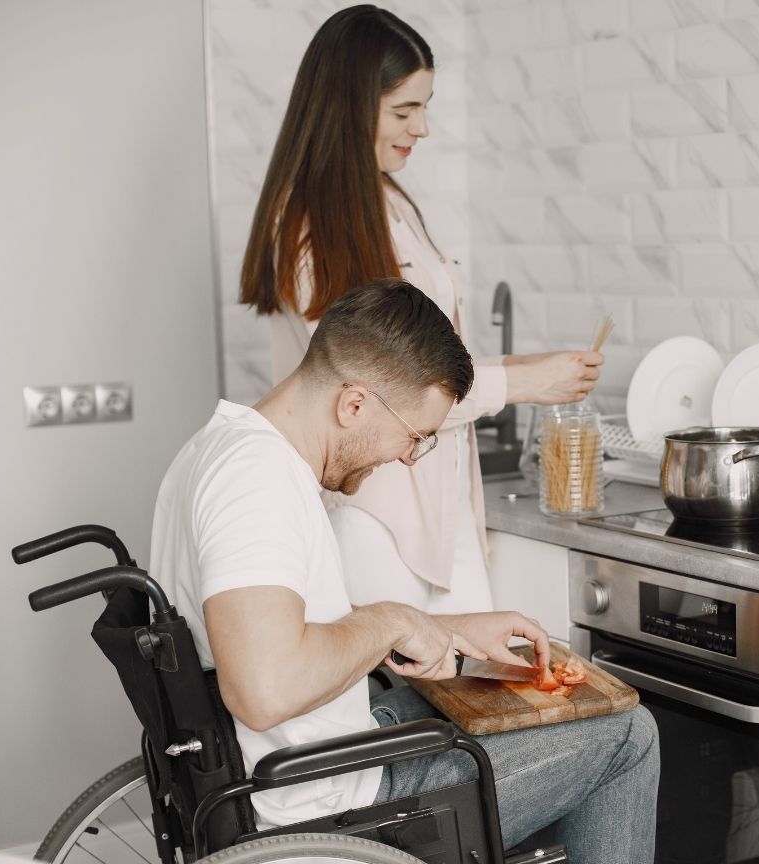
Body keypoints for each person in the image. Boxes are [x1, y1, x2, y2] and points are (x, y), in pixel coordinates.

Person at [150, 280, 658, 863]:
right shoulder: (255, 484)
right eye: (415, 437)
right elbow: (265, 691)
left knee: (485, 704)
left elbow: (288, 637)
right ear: (354, 404)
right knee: (628, 736)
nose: (405, 457)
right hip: (327, 815)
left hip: (312, 764)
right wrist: (392, 620)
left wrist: (443, 627)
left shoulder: (222, 450)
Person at [238, 4, 603, 614]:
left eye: (424, 107)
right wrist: (520, 382)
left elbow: (421, 352)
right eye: (404, 110)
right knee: (419, 699)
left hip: (438, 507)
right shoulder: (310, 227)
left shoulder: (390, 204)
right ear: (349, 107)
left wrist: (517, 364)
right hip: (374, 512)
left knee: (466, 693)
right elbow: (383, 381)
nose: (423, 128)